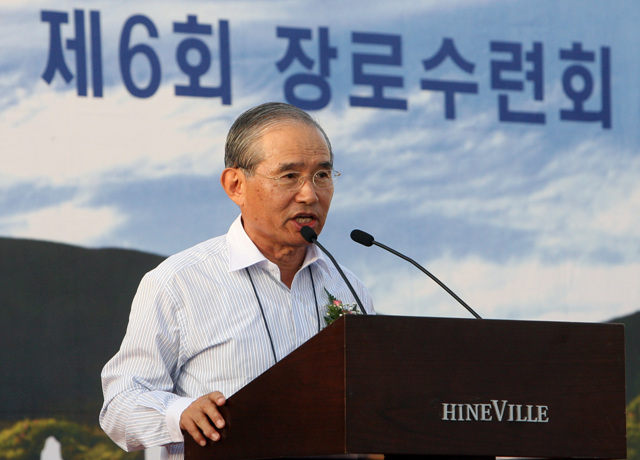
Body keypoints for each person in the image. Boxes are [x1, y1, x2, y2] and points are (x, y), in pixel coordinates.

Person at [100, 102, 375, 459]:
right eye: (289, 176)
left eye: (322, 175)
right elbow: (120, 404)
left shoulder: (347, 288)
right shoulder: (179, 283)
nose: (310, 194)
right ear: (236, 185)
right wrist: (179, 413)